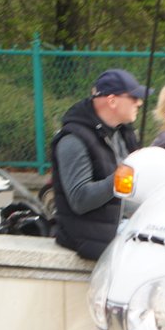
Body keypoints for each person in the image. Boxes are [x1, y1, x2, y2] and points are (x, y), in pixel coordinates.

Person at [50, 68, 145, 260]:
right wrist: (119, 179)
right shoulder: (73, 139)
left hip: (121, 226)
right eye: (134, 98)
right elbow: (80, 200)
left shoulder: (123, 133)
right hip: (92, 237)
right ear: (112, 101)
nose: (139, 103)